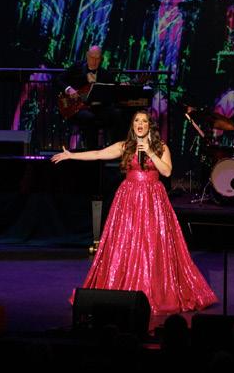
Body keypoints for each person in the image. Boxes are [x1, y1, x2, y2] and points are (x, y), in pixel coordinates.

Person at [52, 109, 217, 315]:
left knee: (153, 244)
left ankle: (154, 292)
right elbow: (98, 154)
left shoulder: (161, 147)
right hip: (128, 200)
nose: (140, 124)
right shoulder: (125, 146)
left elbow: (167, 171)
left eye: (144, 121)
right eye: (136, 121)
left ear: (149, 125)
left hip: (153, 201)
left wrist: (150, 152)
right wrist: (71, 155)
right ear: (133, 125)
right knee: (126, 242)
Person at [55, 45, 120, 149]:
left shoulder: (105, 74)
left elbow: (113, 90)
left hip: (97, 108)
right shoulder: (77, 67)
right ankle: (92, 152)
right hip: (77, 109)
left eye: (97, 59)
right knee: (89, 118)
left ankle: (116, 150)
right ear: (87, 55)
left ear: (101, 59)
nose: (94, 61)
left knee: (117, 114)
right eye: (92, 58)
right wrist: (69, 89)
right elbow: (58, 79)